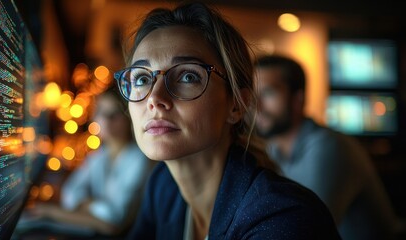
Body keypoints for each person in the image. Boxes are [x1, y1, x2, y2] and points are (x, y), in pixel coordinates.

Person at [113, 2, 341, 239]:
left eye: (188, 76)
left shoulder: (283, 217)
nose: (155, 98)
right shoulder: (163, 187)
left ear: (236, 105)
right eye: (141, 79)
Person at [253, 54, 404, 240]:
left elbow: (304, 230)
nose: (256, 105)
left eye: (268, 93)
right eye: (254, 94)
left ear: (298, 99)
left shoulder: (329, 147)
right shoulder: (273, 150)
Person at [25, 87, 153, 237]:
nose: (105, 120)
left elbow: (113, 222)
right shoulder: (99, 155)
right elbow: (70, 193)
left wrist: (53, 212)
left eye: (113, 114)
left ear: (128, 117)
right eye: (101, 113)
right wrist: (96, 209)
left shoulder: (139, 159)